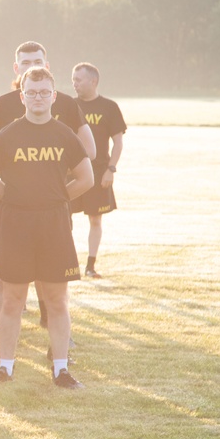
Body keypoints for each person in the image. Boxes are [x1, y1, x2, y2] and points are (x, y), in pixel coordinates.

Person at [0, 41, 96, 349]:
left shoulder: (64, 104)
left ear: (48, 67)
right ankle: (2, 347)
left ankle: (57, 341)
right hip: (15, 213)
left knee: (53, 283)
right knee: (9, 283)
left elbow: (88, 152)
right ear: (17, 69)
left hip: (51, 212)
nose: (31, 66)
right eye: (25, 62)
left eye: (37, 60)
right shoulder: (1, 105)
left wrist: (53, 191)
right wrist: (12, 190)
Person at [71, 62, 126, 278]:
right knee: (65, 219)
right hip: (72, 173)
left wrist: (110, 170)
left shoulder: (109, 107)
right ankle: (68, 262)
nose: (74, 84)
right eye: (73, 79)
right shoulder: (70, 106)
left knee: (95, 219)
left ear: (93, 81)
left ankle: (90, 266)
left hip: (99, 171)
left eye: (78, 80)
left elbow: (118, 143)